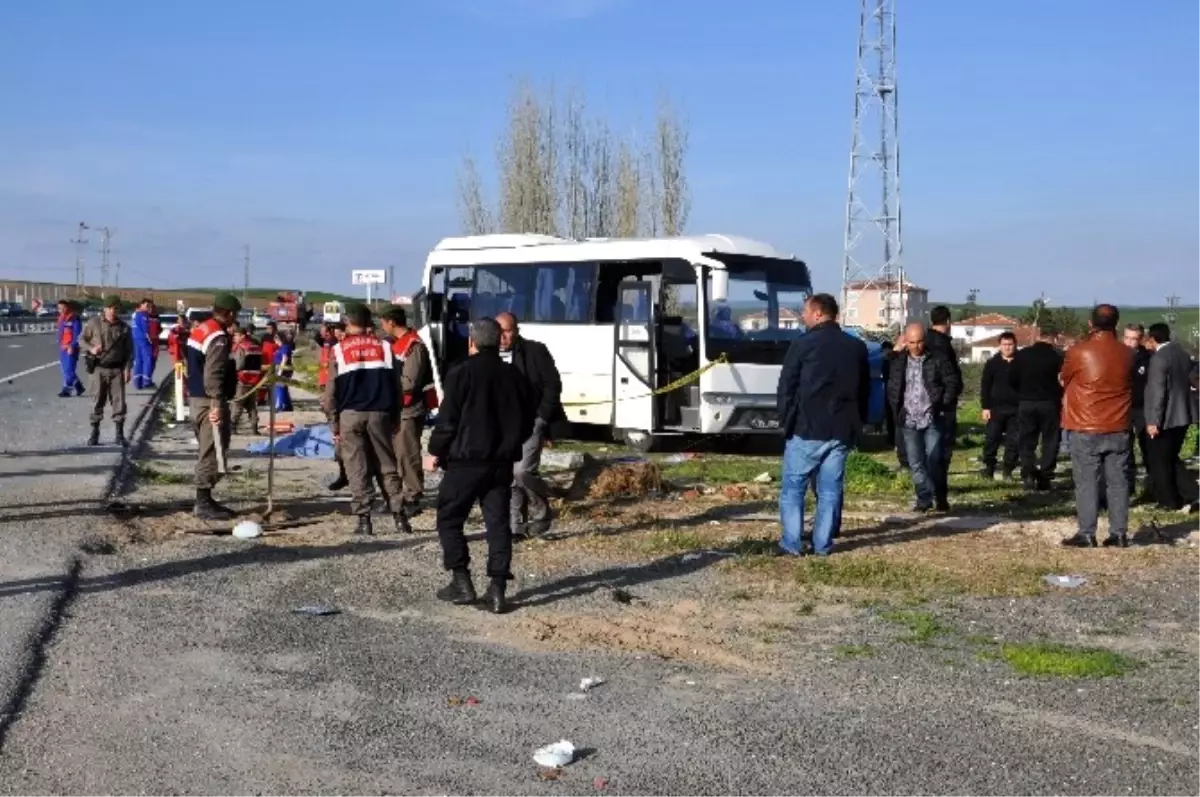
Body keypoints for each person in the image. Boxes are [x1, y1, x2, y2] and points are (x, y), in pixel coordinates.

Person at [425, 318, 535, 614]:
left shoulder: (461, 373)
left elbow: (448, 420)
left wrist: (435, 451)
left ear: (471, 342)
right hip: (500, 462)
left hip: (465, 461)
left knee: (449, 518)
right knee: (498, 524)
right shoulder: (515, 376)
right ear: (500, 341)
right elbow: (527, 421)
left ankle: (461, 581)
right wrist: (510, 443)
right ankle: (497, 588)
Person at [775, 294, 870, 557]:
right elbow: (864, 389)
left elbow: (787, 387)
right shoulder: (856, 347)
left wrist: (785, 421)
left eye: (805, 311)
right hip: (841, 429)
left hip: (807, 427)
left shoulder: (802, 344)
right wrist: (859, 423)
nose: (802, 316)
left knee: (794, 488)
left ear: (817, 313)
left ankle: (792, 542)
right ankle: (823, 544)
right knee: (830, 490)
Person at [323, 303, 409, 537]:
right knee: (387, 465)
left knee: (356, 467)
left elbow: (330, 393)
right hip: (380, 413)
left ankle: (364, 520)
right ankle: (400, 517)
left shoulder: (339, 350)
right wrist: (395, 416)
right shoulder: (385, 347)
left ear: (347, 322)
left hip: (350, 415)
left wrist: (334, 423)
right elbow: (397, 386)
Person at [1059, 305, 1133, 547]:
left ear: (1091, 324)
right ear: (1116, 324)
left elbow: (1065, 378)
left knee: (1087, 482)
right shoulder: (1128, 353)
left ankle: (1087, 533)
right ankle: (1119, 533)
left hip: (1086, 424)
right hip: (1119, 424)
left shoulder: (1078, 351)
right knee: (1118, 482)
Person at [495, 312, 564, 535]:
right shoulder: (488, 355)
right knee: (509, 475)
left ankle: (542, 508)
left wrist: (542, 417)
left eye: (507, 331)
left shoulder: (535, 351)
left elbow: (553, 385)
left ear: (516, 330)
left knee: (523, 472)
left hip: (532, 421)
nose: (503, 336)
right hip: (503, 425)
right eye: (499, 331)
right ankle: (516, 526)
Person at [887, 322, 962, 512]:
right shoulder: (898, 361)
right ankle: (924, 498)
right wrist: (895, 351)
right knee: (915, 462)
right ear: (905, 341)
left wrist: (943, 403)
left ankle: (941, 497)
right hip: (908, 418)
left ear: (925, 340)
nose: (916, 346)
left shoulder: (938, 359)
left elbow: (953, 382)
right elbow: (886, 375)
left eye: (920, 342)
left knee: (935, 460)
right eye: (912, 342)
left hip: (931, 416)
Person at [186, 293, 242, 520]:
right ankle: (203, 502)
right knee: (212, 450)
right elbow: (214, 374)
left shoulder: (201, 329)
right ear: (229, 313)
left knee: (206, 447)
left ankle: (205, 499)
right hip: (209, 401)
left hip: (196, 398)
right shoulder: (218, 336)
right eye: (235, 315)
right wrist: (217, 404)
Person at [379, 306, 436, 517]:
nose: (382, 327)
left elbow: (409, 382)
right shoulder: (395, 344)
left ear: (391, 322)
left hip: (409, 408)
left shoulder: (414, 346)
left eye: (383, 323)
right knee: (395, 453)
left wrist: (384, 386)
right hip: (395, 406)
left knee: (407, 452)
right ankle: (398, 496)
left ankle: (413, 496)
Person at [1143, 323, 1200, 512]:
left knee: (1160, 461)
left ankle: (1169, 500)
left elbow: (1157, 391)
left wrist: (1153, 421)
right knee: (1170, 457)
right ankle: (1192, 494)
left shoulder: (1159, 359)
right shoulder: (1182, 354)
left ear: (1152, 338)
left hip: (1166, 416)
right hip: (1183, 413)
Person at [1009, 327, 1063, 491]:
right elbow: (1064, 380)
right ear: (1054, 338)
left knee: (1026, 439)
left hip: (1026, 402)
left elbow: (1011, 379)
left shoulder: (1022, 355)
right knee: (1050, 441)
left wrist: (1022, 392)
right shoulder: (1057, 356)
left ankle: (1028, 472)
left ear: (1039, 336)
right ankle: (1045, 476)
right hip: (1050, 403)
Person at [80, 295, 133, 447]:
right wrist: (92, 348)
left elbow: (129, 351)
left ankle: (119, 434)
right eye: (109, 308)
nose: (112, 311)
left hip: (117, 369)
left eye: (115, 308)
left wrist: (128, 369)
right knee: (96, 401)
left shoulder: (124, 328)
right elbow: (81, 340)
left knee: (119, 402)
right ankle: (95, 433)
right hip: (98, 368)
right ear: (104, 309)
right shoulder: (94, 323)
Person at [979, 331, 1020, 481]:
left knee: (1014, 441)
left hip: (1016, 409)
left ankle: (1008, 470)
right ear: (1000, 346)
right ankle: (989, 467)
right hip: (996, 408)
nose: (1007, 347)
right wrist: (985, 407)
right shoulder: (992, 363)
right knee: (992, 438)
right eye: (1004, 344)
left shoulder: (1022, 362)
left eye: (1010, 344)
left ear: (1015, 345)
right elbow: (985, 386)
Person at [926, 305, 963, 468]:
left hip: (925, 397)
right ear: (948, 321)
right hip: (943, 399)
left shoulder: (925, 340)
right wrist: (949, 397)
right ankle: (939, 472)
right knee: (944, 437)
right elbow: (949, 375)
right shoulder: (942, 344)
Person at [1122, 323, 1153, 500]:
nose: (1129, 342)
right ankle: (1128, 486)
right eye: (1127, 338)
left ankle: (1152, 486)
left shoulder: (1148, 358)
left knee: (1147, 447)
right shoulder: (1117, 355)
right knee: (1124, 448)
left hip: (1142, 408)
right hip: (1123, 407)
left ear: (1141, 339)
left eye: (1134, 339)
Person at [230, 326, 263, 435]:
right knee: (251, 405)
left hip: (242, 380)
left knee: (238, 404)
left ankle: (233, 426)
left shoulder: (241, 347)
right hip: (254, 380)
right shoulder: (255, 346)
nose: (234, 338)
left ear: (242, 336)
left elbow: (238, 365)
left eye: (236, 335)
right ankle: (254, 428)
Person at [56, 299, 85, 398]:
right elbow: (61, 333)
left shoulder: (74, 319)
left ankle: (67, 390)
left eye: (63, 307)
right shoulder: (61, 318)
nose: (62, 310)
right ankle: (79, 386)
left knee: (69, 370)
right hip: (63, 347)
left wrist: (72, 346)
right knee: (65, 370)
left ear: (68, 307)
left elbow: (78, 335)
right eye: (59, 308)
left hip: (71, 348)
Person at [131, 298, 156, 389]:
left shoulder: (135, 314)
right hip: (143, 339)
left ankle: (137, 382)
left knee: (138, 360)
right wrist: (148, 337)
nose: (148, 308)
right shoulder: (143, 315)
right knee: (148, 359)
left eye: (149, 306)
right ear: (141, 305)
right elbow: (145, 328)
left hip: (135, 338)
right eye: (147, 305)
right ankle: (146, 381)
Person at [272, 331, 294, 412]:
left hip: (284, 370)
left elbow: (285, 359)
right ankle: (288, 405)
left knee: (279, 387)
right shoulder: (281, 347)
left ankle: (279, 406)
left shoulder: (284, 347)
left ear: (279, 339)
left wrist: (280, 371)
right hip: (280, 368)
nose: (274, 341)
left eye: (275, 339)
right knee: (283, 388)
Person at [147, 302, 161, 377]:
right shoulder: (145, 317)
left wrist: (157, 333)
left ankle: (150, 377)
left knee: (154, 361)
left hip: (155, 342)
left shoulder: (157, 317)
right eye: (150, 308)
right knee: (147, 361)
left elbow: (159, 328)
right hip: (147, 341)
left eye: (153, 308)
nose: (152, 310)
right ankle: (146, 378)